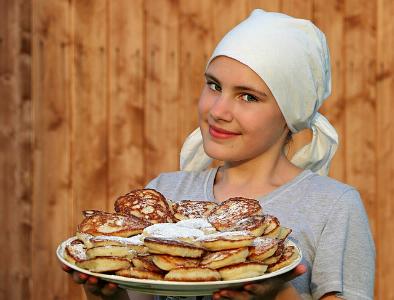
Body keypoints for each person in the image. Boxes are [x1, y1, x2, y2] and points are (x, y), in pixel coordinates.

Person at [63, 9, 375, 300]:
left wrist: (278, 295)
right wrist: (110, 295)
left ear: (289, 113)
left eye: (248, 96)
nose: (218, 110)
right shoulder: (165, 193)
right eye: (214, 86)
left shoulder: (333, 207)